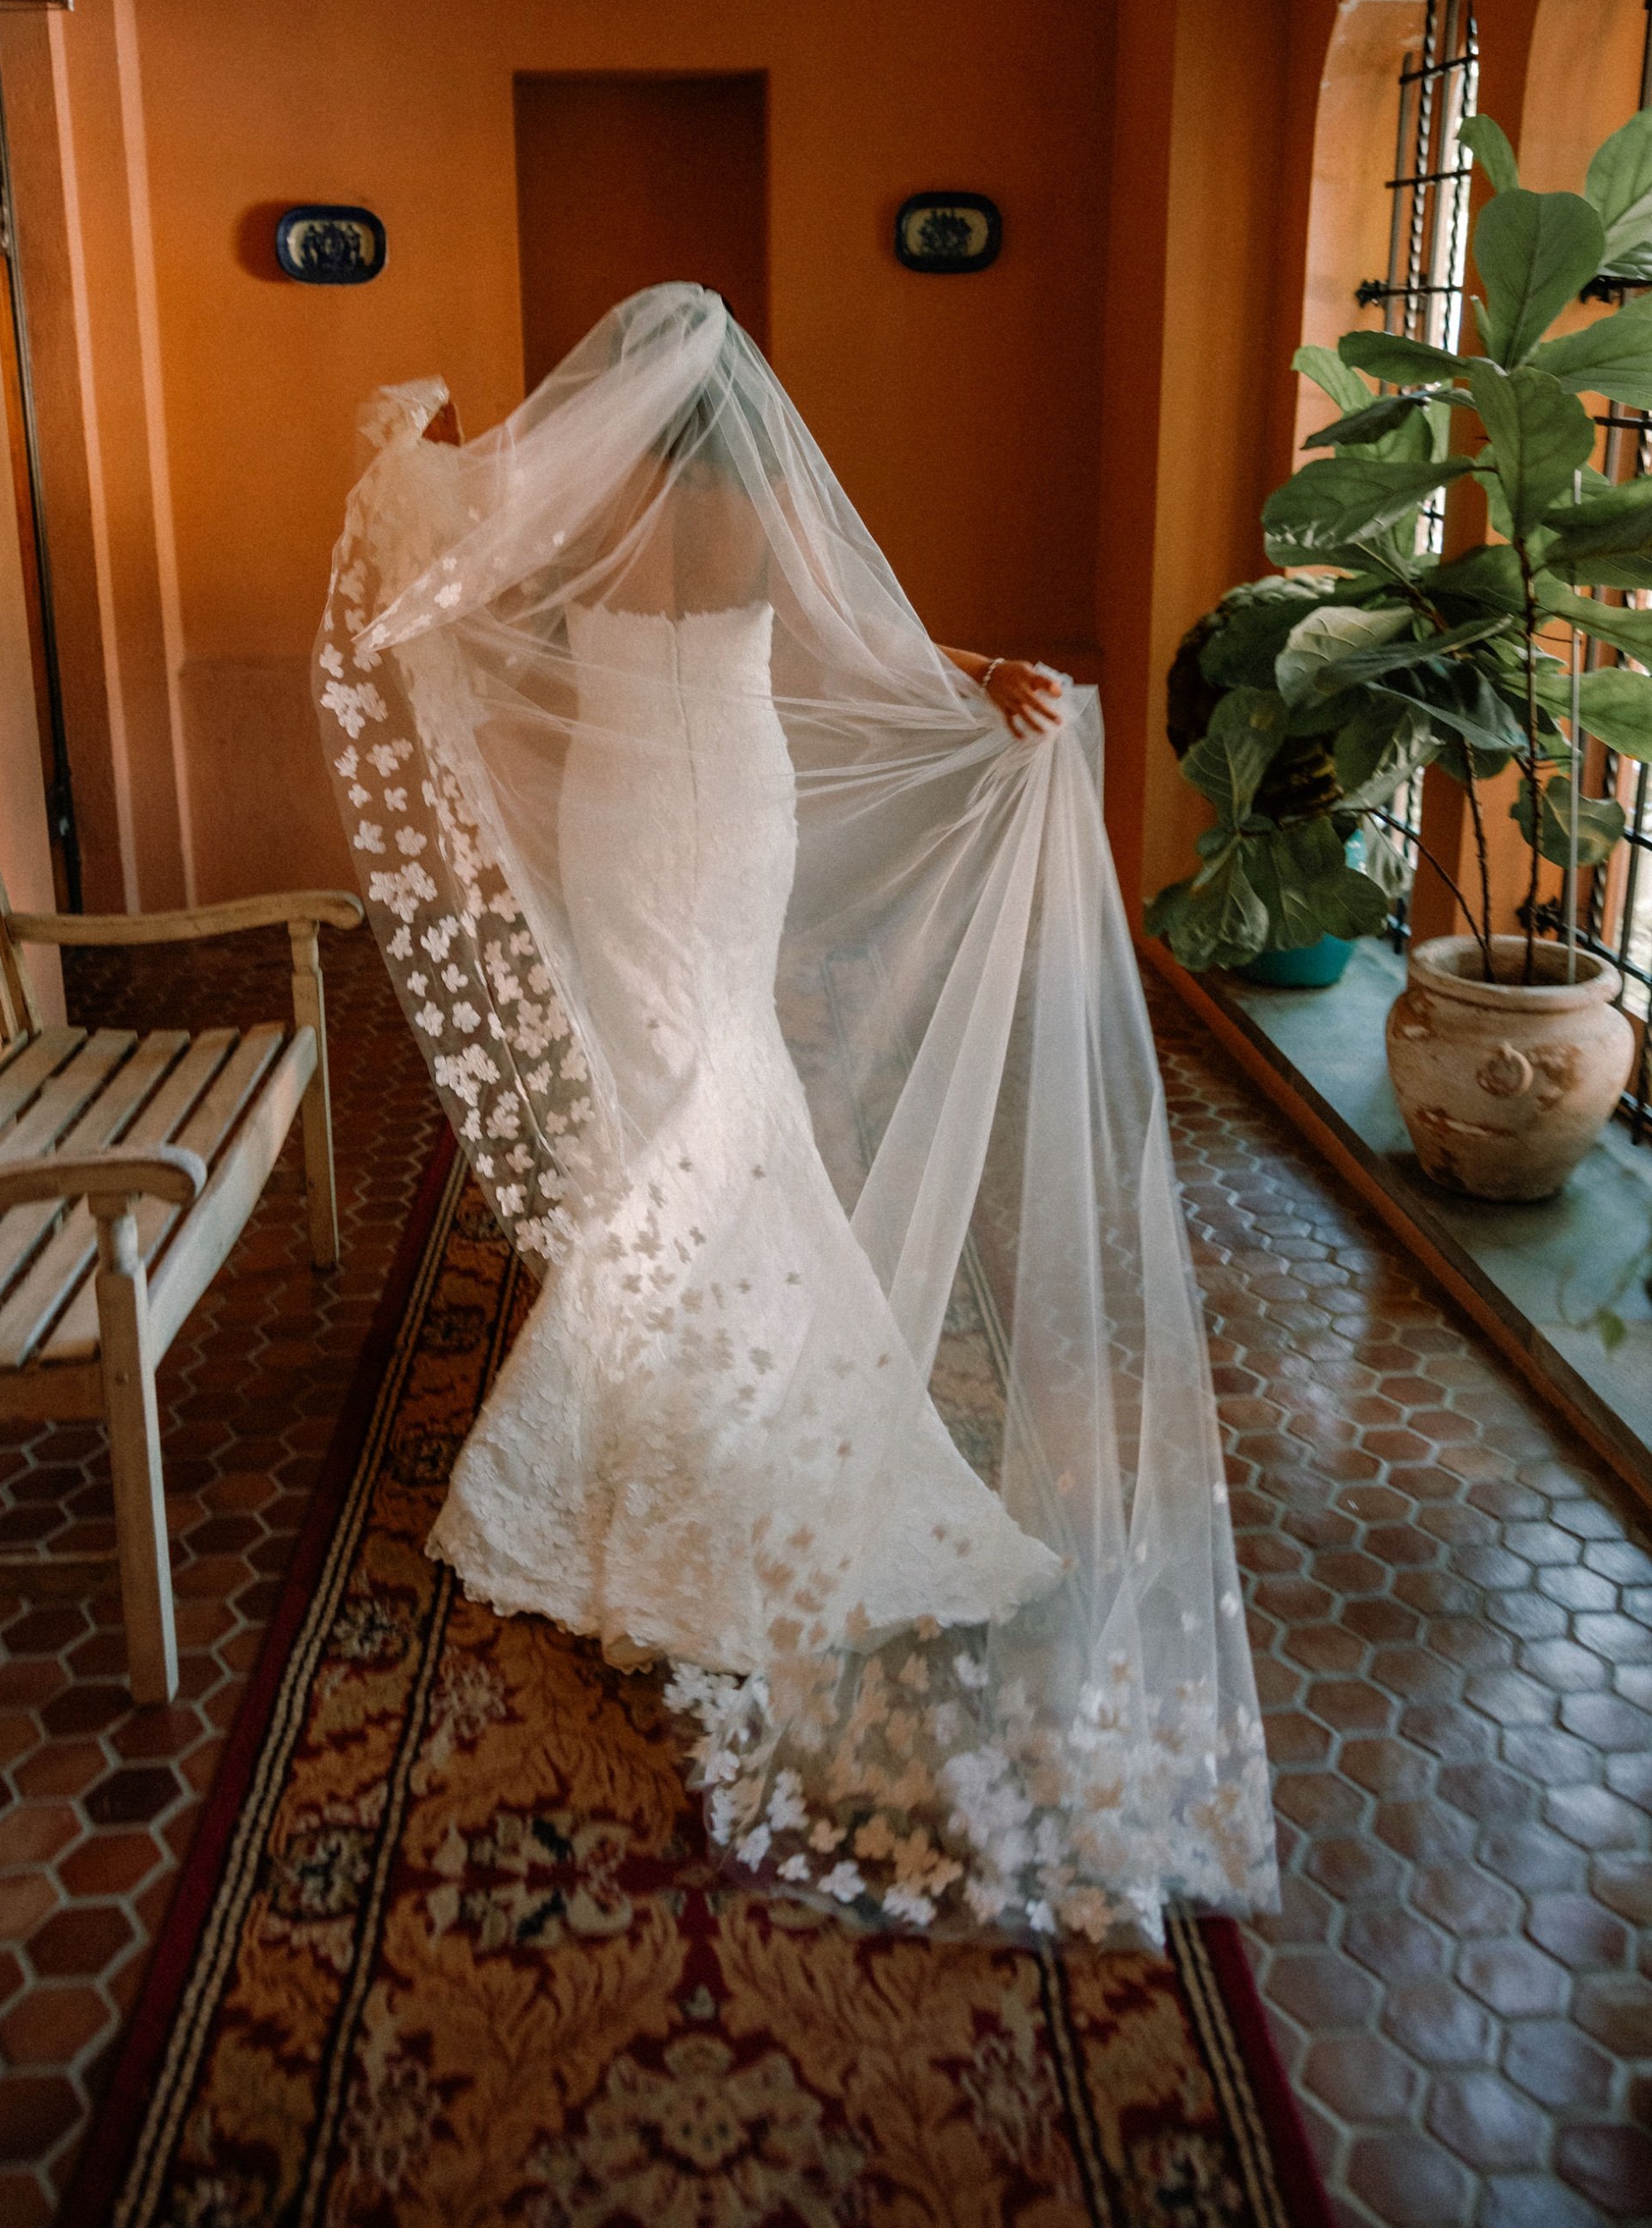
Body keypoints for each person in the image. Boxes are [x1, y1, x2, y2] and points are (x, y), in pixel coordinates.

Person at [317, 284, 1276, 1945]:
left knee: (667, 1097)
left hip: (631, 819)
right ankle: (706, 1390)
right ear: (735, 411)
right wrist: (976, 670)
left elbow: (487, 588)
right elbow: (853, 642)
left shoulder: (580, 508)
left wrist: (442, 459)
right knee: (723, 1082)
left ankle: (644, 1396)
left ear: (620, 404)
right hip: (728, 810)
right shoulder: (755, 504)